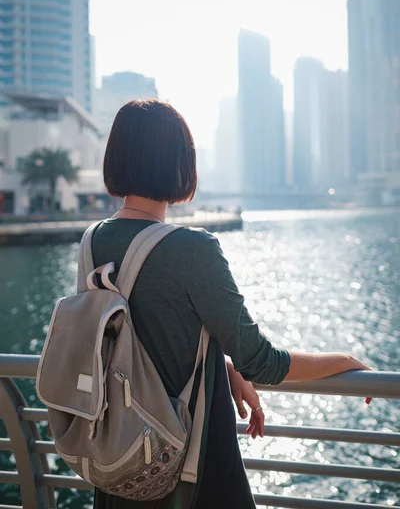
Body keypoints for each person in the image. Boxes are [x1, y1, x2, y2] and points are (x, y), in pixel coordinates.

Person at [92, 99, 371, 509]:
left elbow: (126, 344)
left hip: (118, 469)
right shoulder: (193, 250)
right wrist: (343, 359)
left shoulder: (93, 241)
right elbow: (261, 362)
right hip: (187, 474)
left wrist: (218, 367)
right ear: (179, 164)